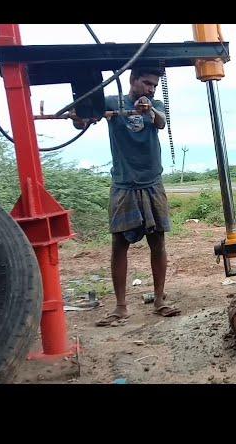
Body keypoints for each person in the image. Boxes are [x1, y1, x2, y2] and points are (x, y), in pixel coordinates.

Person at [96, 66, 180, 326]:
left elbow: (161, 123)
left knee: (158, 243)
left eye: (154, 85)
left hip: (152, 183)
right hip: (123, 185)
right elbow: (85, 118)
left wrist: (150, 109)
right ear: (132, 81)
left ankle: (159, 300)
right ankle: (121, 307)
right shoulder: (112, 102)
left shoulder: (156, 105)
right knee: (119, 246)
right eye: (146, 83)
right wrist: (81, 116)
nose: (151, 88)